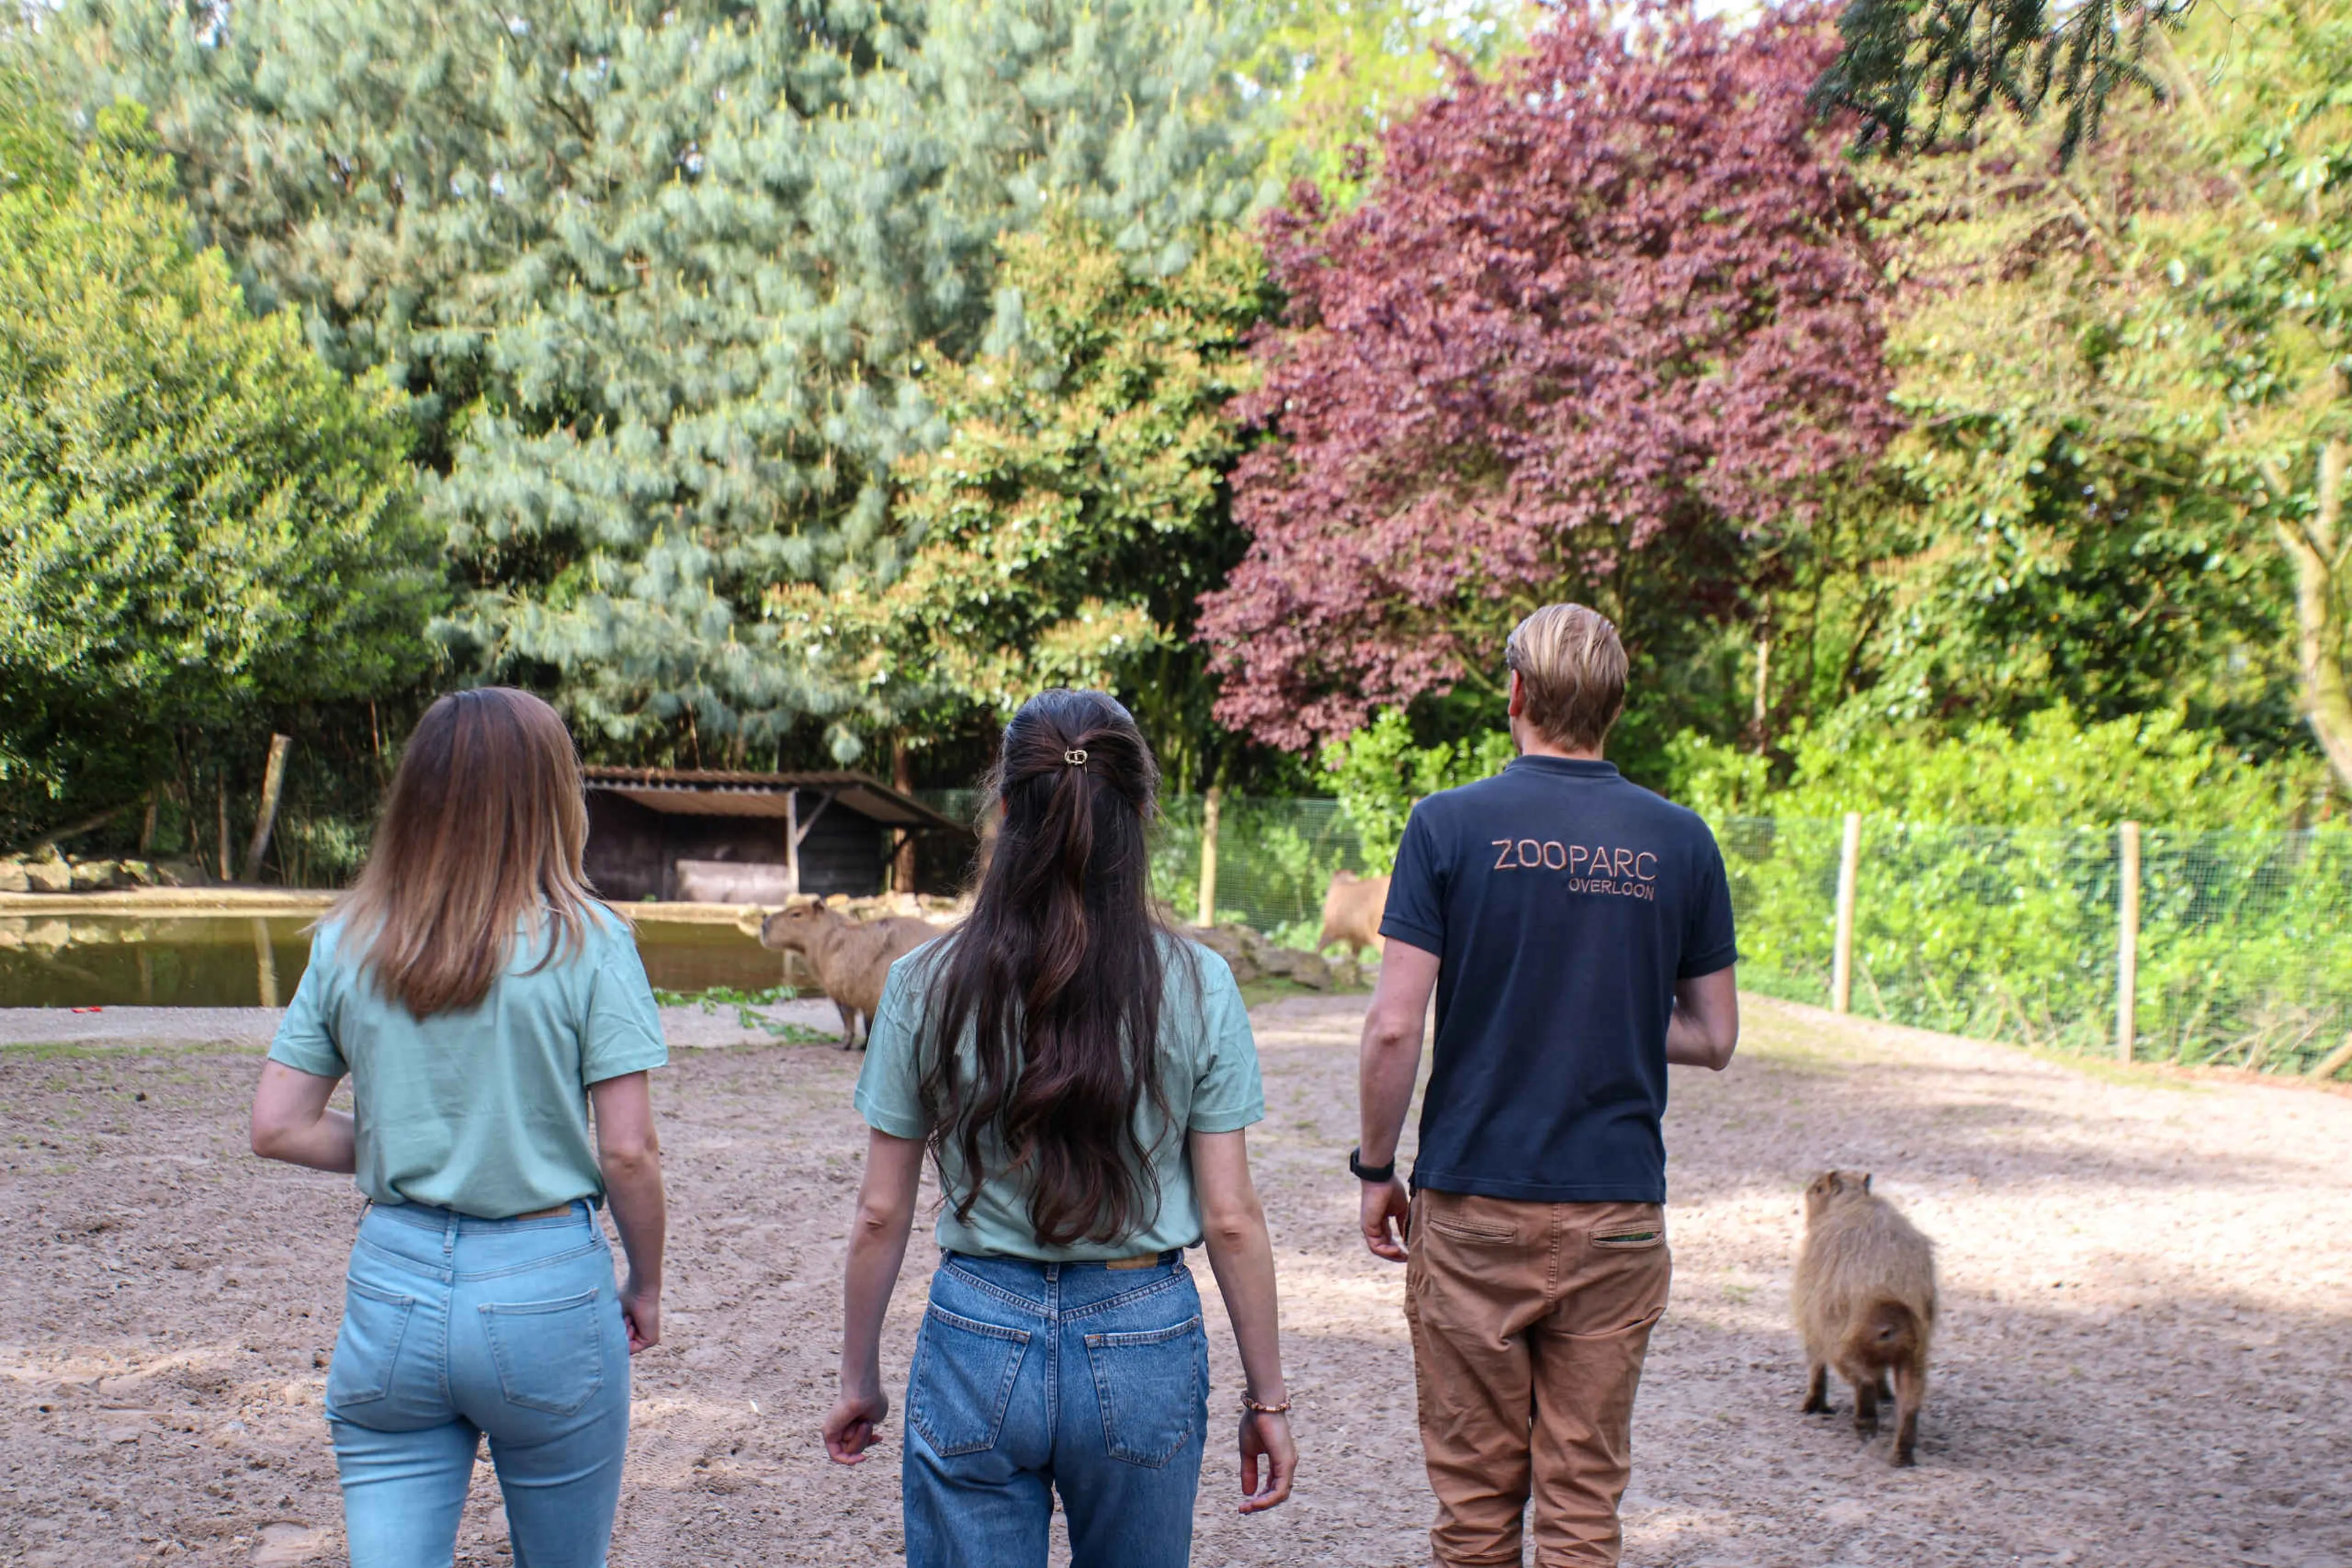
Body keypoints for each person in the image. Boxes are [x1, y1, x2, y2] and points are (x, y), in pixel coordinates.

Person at [821, 688, 1297, 1567]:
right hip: (1144, 1333)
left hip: (976, 1329)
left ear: (1004, 811)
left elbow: (881, 1213)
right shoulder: (1200, 984)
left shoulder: (923, 981)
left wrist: (858, 1378)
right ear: (1141, 815)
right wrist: (1267, 1400)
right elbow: (1231, 1218)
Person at [1352, 604, 1741, 1568]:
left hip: (1474, 1206)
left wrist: (1375, 1169)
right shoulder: (1682, 841)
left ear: (1517, 693)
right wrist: (1609, 1006)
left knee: (1475, 1506)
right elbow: (1714, 1035)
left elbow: (1395, 1024)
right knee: (1582, 1504)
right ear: (1616, 705)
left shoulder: (1447, 825)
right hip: (1618, 1214)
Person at [249, 688, 669, 1568]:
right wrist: (646, 1282)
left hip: (392, 1285)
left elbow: (279, 1126)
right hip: (547, 1286)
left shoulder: (350, 939)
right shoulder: (592, 942)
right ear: (553, 799)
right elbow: (628, 1150)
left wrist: (411, 1140)